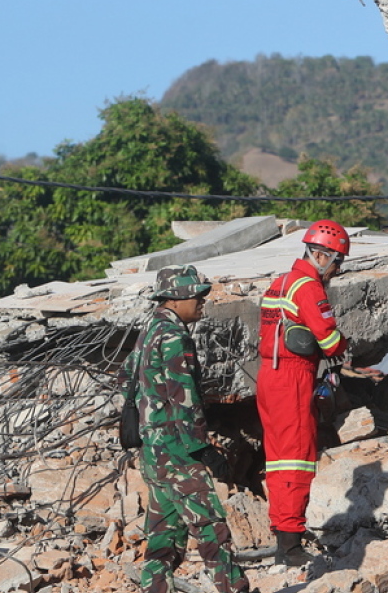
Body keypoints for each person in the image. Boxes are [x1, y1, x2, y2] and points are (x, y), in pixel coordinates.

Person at [121, 265, 250, 593]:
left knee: (164, 538)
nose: (203, 301)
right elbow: (184, 398)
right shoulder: (175, 336)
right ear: (176, 298)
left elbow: (126, 380)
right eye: (197, 295)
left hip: (153, 450)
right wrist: (202, 448)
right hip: (179, 450)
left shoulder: (150, 327)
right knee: (211, 529)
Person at [256, 219, 353, 566]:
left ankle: (284, 533)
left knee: (278, 457)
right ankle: (290, 545)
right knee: (297, 457)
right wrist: (344, 344)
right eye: (337, 262)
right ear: (322, 256)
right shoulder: (309, 287)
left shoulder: (280, 282)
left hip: (269, 373)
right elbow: (328, 338)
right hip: (293, 378)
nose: (337, 270)